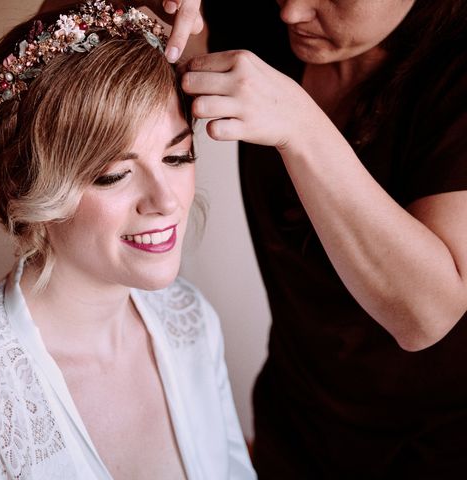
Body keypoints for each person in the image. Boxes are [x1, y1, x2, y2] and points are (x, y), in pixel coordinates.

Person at [0, 2, 256, 478]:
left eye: (177, 158)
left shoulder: (191, 322)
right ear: (35, 187)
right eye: (114, 175)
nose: (166, 201)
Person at [149, 0, 467, 477]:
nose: (291, 13)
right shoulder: (267, 13)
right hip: (292, 419)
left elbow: (426, 315)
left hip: (433, 447)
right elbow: (47, 46)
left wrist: (300, 125)